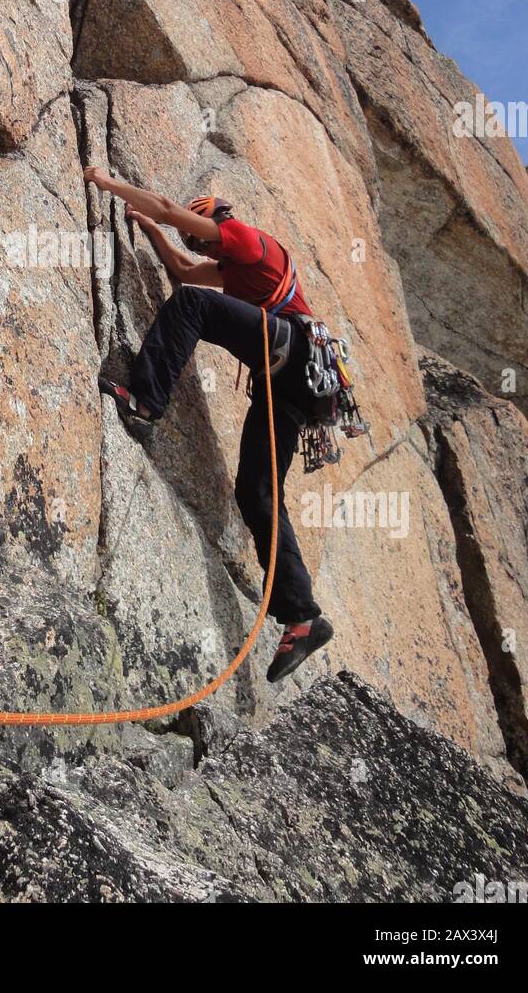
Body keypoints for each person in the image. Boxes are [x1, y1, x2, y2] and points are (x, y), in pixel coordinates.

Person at [83, 166, 334, 683]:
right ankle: (302, 615)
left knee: (195, 307)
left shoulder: (246, 239)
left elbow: (171, 213)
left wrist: (107, 184)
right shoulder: (229, 265)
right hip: (291, 385)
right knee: (256, 492)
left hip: (294, 350)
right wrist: (152, 232)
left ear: (219, 223)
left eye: (202, 235)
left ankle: (147, 401)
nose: (199, 244)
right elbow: (181, 269)